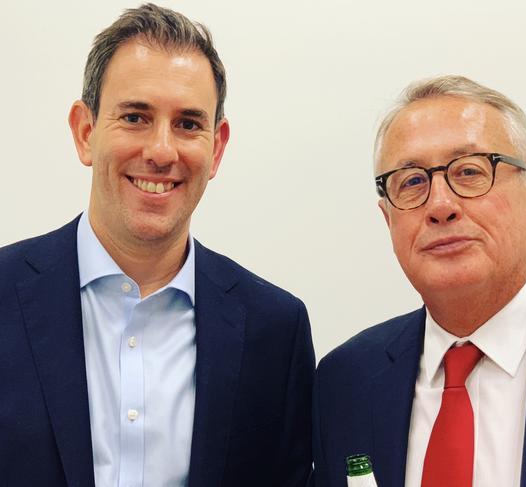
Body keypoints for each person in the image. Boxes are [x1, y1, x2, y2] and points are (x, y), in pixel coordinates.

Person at [0, 4, 314, 486]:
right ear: (85, 132)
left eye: (188, 124)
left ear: (218, 147)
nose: (162, 151)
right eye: (135, 117)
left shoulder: (275, 331)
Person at [311, 75, 526, 487]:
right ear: (389, 220)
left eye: (470, 171)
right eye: (413, 182)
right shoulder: (346, 382)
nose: (440, 205)